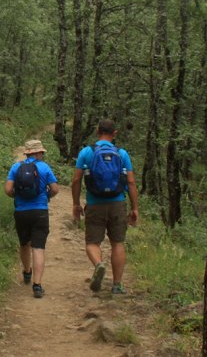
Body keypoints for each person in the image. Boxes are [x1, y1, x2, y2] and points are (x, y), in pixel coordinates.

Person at [71, 120, 139, 295]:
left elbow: (76, 180)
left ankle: (98, 264)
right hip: (117, 204)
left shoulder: (87, 152)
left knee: (92, 243)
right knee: (117, 243)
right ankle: (117, 285)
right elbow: (131, 182)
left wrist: (76, 204)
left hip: (95, 203)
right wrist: (134, 208)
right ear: (114, 133)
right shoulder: (122, 154)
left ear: (97, 131)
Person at [5, 139, 59, 298]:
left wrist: (17, 196)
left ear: (27, 153)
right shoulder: (44, 167)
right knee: (38, 247)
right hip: (40, 211)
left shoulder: (16, 167)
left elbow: (8, 190)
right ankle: (37, 285)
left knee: (24, 244)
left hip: (21, 211)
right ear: (38, 153)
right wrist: (46, 196)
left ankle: (27, 272)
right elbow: (55, 189)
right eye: (41, 152)